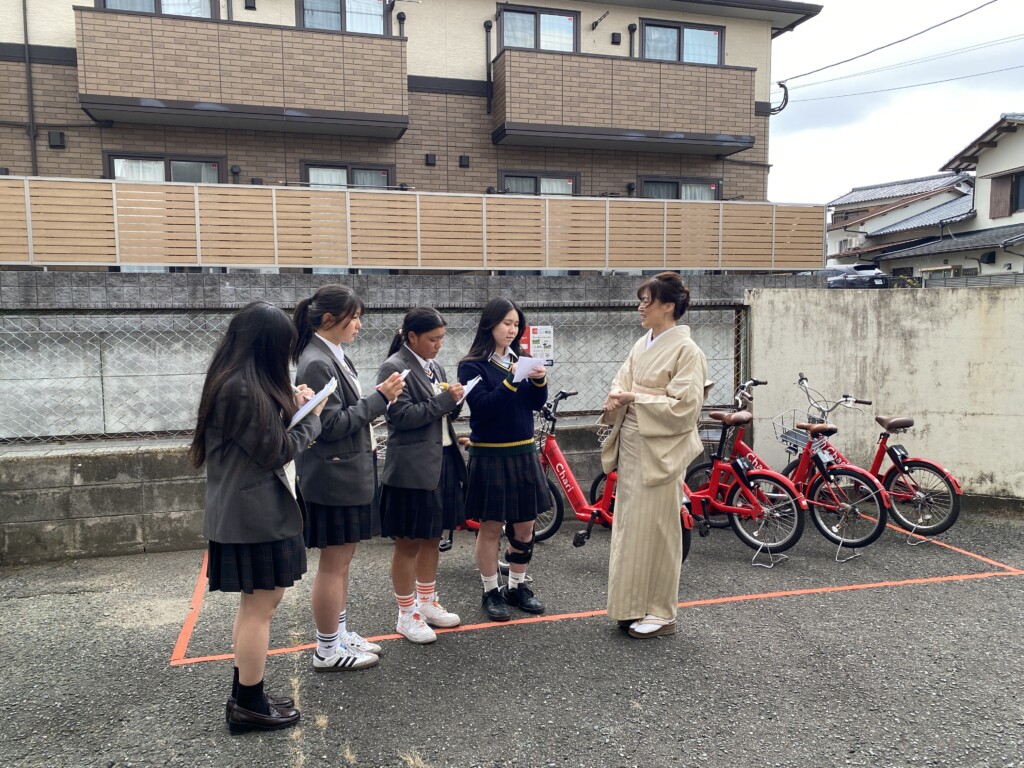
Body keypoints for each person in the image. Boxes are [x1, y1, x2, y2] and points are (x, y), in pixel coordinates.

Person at [189, 301, 325, 734]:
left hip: (252, 511)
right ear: (266, 345)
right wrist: (312, 419)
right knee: (260, 609)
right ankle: (249, 704)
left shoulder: (239, 380)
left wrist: (293, 404)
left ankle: (246, 695)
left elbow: (266, 434)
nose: (287, 356)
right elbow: (276, 450)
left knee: (257, 606)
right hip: (254, 514)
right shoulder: (242, 388)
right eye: (283, 346)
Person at [292, 285, 405, 672]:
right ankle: (327, 648)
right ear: (329, 319)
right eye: (353, 317)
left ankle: (337, 635)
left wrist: (377, 398)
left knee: (341, 561)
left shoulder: (331, 354)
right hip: (333, 475)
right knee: (334, 563)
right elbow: (330, 425)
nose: (359, 324)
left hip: (344, 471)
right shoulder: (316, 361)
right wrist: (380, 398)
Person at [601, 271, 708, 639]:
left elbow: (685, 407)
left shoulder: (687, 351)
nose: (641, 308)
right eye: (641, 301)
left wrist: (635, 397)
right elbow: (622, 379)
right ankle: (631, 606)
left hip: (661, 450)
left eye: (647, 302)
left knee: (660, 530)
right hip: (633, 445)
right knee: (630, 528)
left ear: (668, 306)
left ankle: (661, 612)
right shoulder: (641, 344)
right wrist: (618, 395)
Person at [376, 307, 466, 644]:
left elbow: (440, 412)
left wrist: (455, 400)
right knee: (408, 542)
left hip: (442, 459)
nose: (439, 345)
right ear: (411, 337)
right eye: (433, 339)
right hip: (412, 467)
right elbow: (401, 416)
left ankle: (426, 602)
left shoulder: (434, 366)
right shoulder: (394, 366)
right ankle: (406, 613)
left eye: (442, 338)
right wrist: (444, 400)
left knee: (432, 536)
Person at [458, 298, 549, 622]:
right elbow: (483, 407)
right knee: (491, 527)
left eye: (516, 324)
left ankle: (517, 586)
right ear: (490, 324)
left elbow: (536, 403)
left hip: (523, 450)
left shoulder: (520, 359)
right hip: (490, 453)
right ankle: (490, 591)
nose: (512, 330)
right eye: (506, 323)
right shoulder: (472, 365)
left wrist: (538, 379)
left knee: (525, 525)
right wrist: (512, 380)